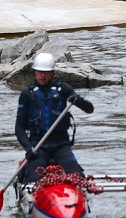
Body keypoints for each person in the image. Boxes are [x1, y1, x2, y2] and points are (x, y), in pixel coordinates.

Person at [15, 53, 94, 183]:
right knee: (33, 178)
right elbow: (19, 127)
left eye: (46, 72)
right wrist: (28, 148)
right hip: (38, 146)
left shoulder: (63, 89)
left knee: (77, 175)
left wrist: (78, 101)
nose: (42, 75)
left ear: (52, 73)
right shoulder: (26, 94)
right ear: (34, 71)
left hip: (61, 144)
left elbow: (89, 109)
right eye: (40, 72)